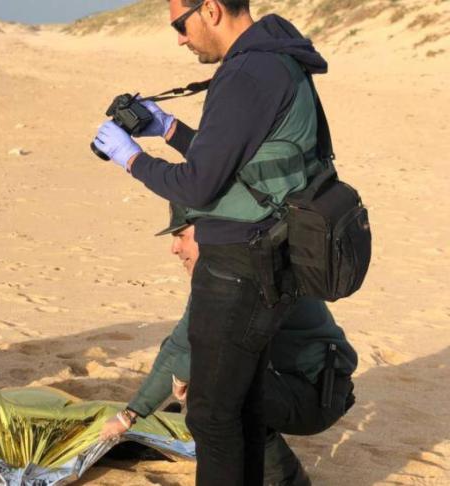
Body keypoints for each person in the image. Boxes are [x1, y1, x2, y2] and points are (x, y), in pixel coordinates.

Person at [92, 1, 336, 483]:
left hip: (242, 261)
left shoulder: (246, 72)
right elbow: (242, 164)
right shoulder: (277, 60)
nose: (180, 38)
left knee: (211, 416)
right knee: (240, 407)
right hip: (273, 252)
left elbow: (200, 185)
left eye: (181, 25)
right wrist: (169, 129)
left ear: (210, 9)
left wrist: (130, 158)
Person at [100, 207, 358, 486]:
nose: (174, 248)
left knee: (215, 387)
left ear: (209, 233)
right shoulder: (224, 271)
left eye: (181, 236)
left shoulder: (250, 274)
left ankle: (286, 480)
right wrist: (130, 415)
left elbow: (204, 354)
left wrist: (185, 376)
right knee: (207, 379)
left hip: (317, 395)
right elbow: (178, 347)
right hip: (287, 384)